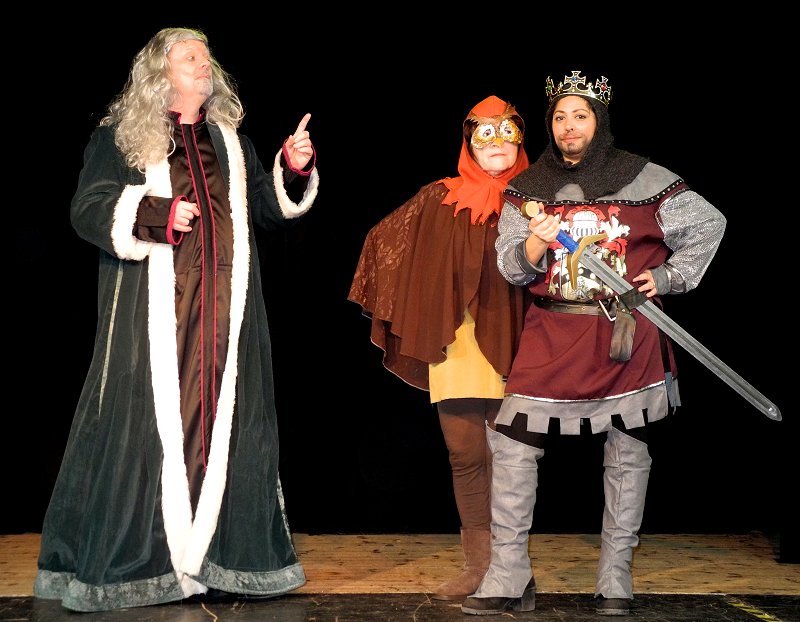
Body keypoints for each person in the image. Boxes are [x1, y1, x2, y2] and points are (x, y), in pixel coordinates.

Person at [34, 27, 319, 613]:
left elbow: (265, 210)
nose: (203, 62)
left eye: (206, 55)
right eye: (190, 55)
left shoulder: (231, 144)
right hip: (152, 322)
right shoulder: (122, 139)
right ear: (159, 73)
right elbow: (88, 208)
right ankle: (145, 565)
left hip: (226, 321)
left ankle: (220, 561)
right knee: (144, 430)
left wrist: (291, 170)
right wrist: (156, 214)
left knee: (230, 426)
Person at [461, 71, 727, 616]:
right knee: (512, 445)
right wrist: (533, 247)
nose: (568, 127)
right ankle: (509, 575)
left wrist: (669, 277)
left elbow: (707, 223)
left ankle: (615, 578)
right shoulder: (528, 188)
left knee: (627, 450)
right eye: (559, 117)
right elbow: (510, 268)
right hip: (552, 331)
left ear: (598, 121)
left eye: (579, 116)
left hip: (624, 334)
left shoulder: (645, 178)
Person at [348, 95, 530, 601]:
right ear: (469, 143)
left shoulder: (539, 197)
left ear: (520, 138)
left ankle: (513, 570)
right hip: (459, 342)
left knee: (513, 458)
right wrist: (421, 295)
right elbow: (384, 240)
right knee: (465, 453)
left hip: (522, 342)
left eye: (506, 132)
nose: (496, 144)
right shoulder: (439, 197)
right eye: (484, 134)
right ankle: (480, 567)